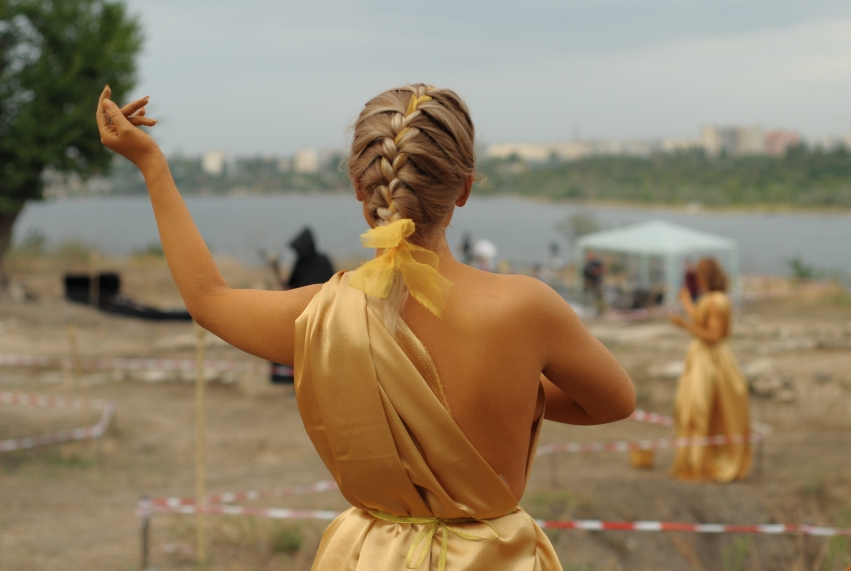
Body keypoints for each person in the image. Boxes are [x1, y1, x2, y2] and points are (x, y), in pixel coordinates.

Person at [96, 83, 635, 571]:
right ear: (464, 188)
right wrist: (519, 390)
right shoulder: (527, 308)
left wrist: (151, 165)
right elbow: (614, 402)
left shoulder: (325, 316)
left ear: (360, 187)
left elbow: (208, 299)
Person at [668, 257, 751, 482]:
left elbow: (713, 336)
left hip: (709, 361)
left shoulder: (715, 301)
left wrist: (684, 326)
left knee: (698, 408)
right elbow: (703, 320)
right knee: (705, 409)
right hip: (710, 358)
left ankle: (703, 460)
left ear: (704, 276)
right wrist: (687, 303)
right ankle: (703, 458)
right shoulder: (715, 298)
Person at [270, 227, 335, 383]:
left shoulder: (323, 261)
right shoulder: (300, 263)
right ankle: (290, 379)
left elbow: (333, 286)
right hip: (300, 312)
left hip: (321, 313)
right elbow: (293, 285)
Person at [582, 249, 605, 314]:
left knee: (598, 297)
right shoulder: (587, 265)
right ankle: (587, 311)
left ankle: (600, 311)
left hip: (597, 284)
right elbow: (586, 274)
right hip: (589, 284)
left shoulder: (597, 263)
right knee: (588, 297)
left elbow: (601, 272)